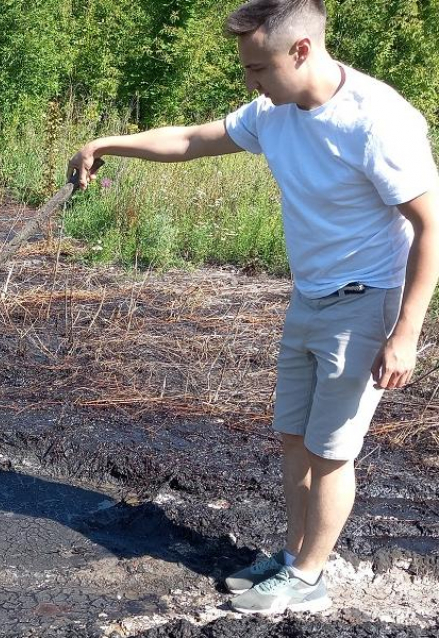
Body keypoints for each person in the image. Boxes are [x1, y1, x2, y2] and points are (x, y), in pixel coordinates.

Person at [68, 0, 439, 616]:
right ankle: (293, 561)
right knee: (295, 439)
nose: (251, 83)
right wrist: (107, 143)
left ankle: (312, 581)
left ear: (301, 51)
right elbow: (190, 140)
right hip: (308, 298)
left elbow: (431, 227)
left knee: (331, 451)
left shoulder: (377, 120)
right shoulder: (275, 113)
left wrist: (406, 334)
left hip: (365, 303)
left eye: (258, 68)